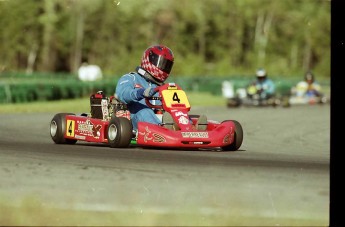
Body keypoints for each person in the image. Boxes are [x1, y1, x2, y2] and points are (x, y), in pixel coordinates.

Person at [115, 44, 207, 131]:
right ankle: (165, 130)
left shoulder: (163, 87)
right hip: (133, 118)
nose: (163, 67)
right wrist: (141, 92)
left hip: (160, 117)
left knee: (175, 112)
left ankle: (190, 128)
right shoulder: (131, 78)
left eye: (166, 65)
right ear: (148, 60)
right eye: (161, 63)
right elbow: (122, 94)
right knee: (145, 112)